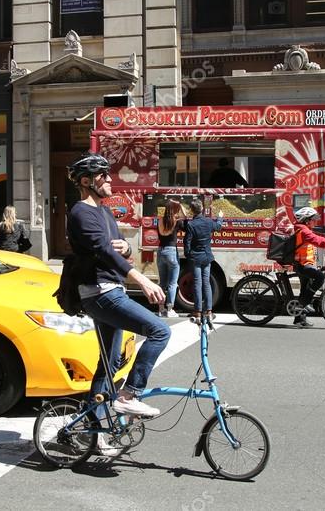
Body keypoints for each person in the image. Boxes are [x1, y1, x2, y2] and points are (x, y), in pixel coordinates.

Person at [66, 152, 168, 419]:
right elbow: (103, 250)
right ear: (87, 181)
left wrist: (125, 247)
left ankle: (94, 432)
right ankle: (129, 394)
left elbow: (115, 247)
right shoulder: (80, 212)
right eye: (103, 176)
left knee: (109, 364)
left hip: (112, 288)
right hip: (100, 292)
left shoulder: (104, 211)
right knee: (159, 331)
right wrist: (143, 279)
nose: (109, 180)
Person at [291, 206, 325, 328]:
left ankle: (299, 319)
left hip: (304, 264)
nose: (315, 221)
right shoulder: (303, 230)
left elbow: (314, 240)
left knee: (304, 291)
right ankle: (302, 305)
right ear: (306, 220)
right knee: (320, 277)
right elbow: (315, 240)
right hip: (302, 265)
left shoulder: (303, 229)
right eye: (313, 219)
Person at [183, 199, 224, 321]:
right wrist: (220, 217)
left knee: (197, 283)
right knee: (206, 283)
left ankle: (197, 311)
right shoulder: (208, 221)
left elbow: (187, 242)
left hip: (195, 257)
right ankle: (209, 311)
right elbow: (218, 227)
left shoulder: (191, 225)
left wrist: (187, 254)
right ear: (201, 209)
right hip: (207, 256)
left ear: (192, 210)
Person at [156, 199, 183, 318]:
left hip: (160, 251)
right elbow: (186, 217)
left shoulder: (160, 220)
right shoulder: (175, 221)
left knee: (162, 283)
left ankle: (161, 309)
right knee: (172, 283)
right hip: (171, 251)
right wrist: (180, 205)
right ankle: (170, 309)